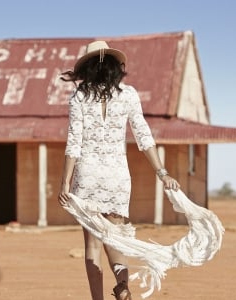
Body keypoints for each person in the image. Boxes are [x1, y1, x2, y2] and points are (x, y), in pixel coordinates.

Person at [58, 40, 180, 300]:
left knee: (93, 246)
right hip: (117, 177)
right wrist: (162, 173)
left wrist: (64, 184)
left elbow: (74, 143)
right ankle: (123, 287)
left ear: (88, 68)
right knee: (115, 239)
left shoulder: (79, 96)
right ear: (115, 67)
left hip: (87, 176)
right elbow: (144, 137)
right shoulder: (129, 95)